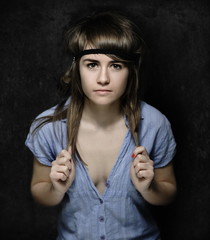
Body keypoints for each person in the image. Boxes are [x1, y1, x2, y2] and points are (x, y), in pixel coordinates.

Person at [25, 10, 177, 240]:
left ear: (130, 71)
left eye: (116, 65)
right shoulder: (49, 127)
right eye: (92, 64)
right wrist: (56, 189)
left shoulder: (155, 124)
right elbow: (39, 191)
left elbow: (168, 192)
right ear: (77, 68)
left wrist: (149, 187)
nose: (103, 78)